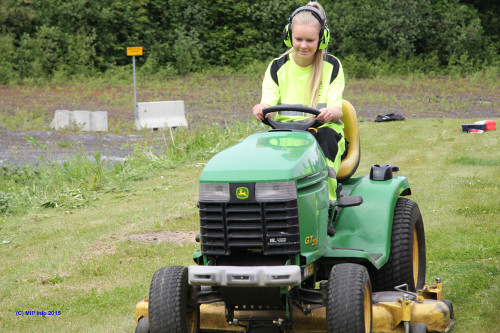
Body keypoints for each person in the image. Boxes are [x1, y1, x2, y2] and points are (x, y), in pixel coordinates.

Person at [252, 1, 346, 202]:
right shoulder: (277, 67)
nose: (303, 45)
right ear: (289, 36)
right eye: (299, 39)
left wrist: (330, 113)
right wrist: (261, 108)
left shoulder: (332, 66)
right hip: (285, 132)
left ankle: (326, 205)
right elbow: (267, 102)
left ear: (322, 39)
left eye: (310, 40)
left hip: (323, 129)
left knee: (326, 144)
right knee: (258, 152)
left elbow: (337, 109)